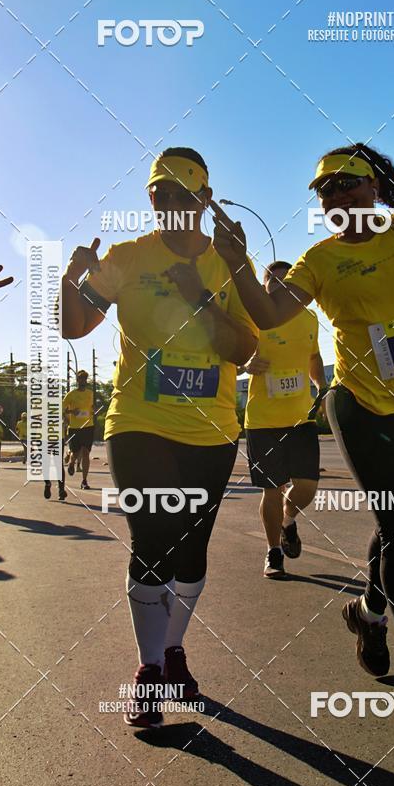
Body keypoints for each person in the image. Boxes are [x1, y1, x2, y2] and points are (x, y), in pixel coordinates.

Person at [213, 44, 394, 720]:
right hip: (357, 405)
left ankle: (369, 611)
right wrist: (238, 263)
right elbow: (269, 311)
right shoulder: (319, 260)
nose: (333, 196)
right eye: (323, 190)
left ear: (374, 186)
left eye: (345, 183)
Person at [61, 147, 258, 728]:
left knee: (192, 550)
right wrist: (70, 279)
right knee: (153, 533)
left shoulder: (228, 262)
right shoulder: (126, 258)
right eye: (158, 194)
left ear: (204, 199)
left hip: (212, 429)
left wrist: (199, 296)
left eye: (180, 193)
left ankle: (173, 650)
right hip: (138, 422)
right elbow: (74, 325)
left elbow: (244, 350)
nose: (168, 203)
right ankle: (149, 671)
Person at [240, 261, 326, 578]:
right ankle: (274, 551)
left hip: (301, 419)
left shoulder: (309, 317)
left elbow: (314, 357)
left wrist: (322, 385)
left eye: (285, 280)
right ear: (264, 287)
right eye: (272, 281)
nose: (279, 285)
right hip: (262, 420)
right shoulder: (253, 317)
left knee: (307, 487)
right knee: (272, 489)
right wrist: (245, 363)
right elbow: (231, 353)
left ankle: (288, 521)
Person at [63, 370, 95, 489]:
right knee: (75, 453)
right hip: (75, 428)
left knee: (86, 452)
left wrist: (94, 410)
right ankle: (72, 463)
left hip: (88, 426)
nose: (83, 381)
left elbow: (92, 407)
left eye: (85, 379)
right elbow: (63, 409)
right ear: (77, 380)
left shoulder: (90, 393)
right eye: (81, 379)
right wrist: (72, 411)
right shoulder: (71, 394)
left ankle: (84, 481)